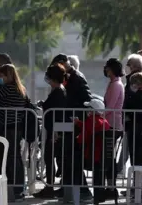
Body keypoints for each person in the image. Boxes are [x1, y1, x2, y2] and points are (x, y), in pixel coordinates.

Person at [49, 54, 92, 200]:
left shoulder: (77, 78)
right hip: (68, 122)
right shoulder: (69, 77)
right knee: (67, 158)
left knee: (73, 158)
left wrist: (75, 114)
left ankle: (83, 191)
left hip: (75, 123)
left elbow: (86, 99)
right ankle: (67, 189)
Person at [0, 64, 27, 201]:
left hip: (6, 128)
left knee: (5, 158)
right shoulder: (21, 89)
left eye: (1, 76)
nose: (0, 78)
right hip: (16, 127)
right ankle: (18, 189)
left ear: (8, 76)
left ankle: (11, 187)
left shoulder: (7, 88)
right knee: (15, 157)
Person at [33, 64, 68, 199]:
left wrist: (55, 133)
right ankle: (51, 186)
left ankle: (50, 186)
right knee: (51, 158)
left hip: (55, 132)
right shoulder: (58, 90)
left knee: (50, 157)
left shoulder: (59, 91)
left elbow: (57, 113)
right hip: (54, 130)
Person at [102, 58, 125, 200]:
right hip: (109, 124)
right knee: (107, 158)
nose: (106, 70)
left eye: (108, 68)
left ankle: (111, 188)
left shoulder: (116, 85)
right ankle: (109, 186)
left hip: (113, 125)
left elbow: (109, 106)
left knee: (109, 158)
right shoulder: (112, 84)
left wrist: (99, 114)